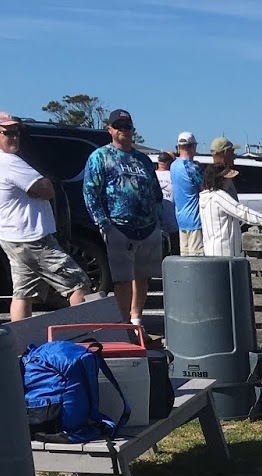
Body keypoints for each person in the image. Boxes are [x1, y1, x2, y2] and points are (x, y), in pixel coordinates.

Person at [0, 111, 88, 320]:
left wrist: (39, 186)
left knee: (23, 293)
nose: (14, 136)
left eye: (17, 132)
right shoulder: (7, 161)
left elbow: (38, 188)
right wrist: (44, 182)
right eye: (7, 132)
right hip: (33, 238)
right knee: (79, 284)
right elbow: (46, 189)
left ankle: (21, 345)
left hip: (14, 237)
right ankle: (86, 336)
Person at [83, 108, 163, 325]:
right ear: (110, 129)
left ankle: (137, 321)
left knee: (143, 278)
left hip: (148, 228)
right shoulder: (100, 156)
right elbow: (90, 191)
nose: (123, 131)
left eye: (127, 127)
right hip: (118, 227)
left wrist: (159, 223)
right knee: (123, 280)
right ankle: (123, 324)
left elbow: (156, 192)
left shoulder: (143, 159)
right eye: (118, 126)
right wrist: (103, 223)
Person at [199, 164, 262, 255]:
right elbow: (241, 211)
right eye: (228, 178)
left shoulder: (205, 196)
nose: (230, 181)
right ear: (221, 180)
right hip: (224, 249)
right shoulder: (219, 196)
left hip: (210, 248)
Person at [171, 133, 205, 256]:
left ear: (178, 147)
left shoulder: (173, 165)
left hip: (180, 219)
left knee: (185, 258)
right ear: (193, 147)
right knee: (197, 259)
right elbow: (203, 189)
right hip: (195, 219)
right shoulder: (192, 168)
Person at [155, 152, 180, 256]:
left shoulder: (152, 174)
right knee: (174, 254)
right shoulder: (174, 176)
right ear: (168, 163)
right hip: (173, 223)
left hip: (156, 224)